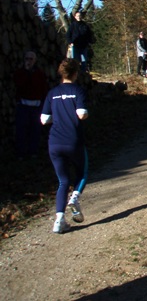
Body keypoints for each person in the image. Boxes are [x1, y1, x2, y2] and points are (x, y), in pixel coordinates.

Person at [40, 58, 89, 234]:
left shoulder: (52, 93)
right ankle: (75, 198)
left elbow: (44, 119)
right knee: (82, 173)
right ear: (75, 73)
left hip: (54, 142)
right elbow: (82, 114)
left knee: (62, 181)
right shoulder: (78, 91)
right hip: (73, 140)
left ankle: (59, 220)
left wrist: (58, 117)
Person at [14, 51, 48, 159]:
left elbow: (43, 88)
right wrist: (26, 72)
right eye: (27, 59)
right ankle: (21, 152)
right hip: (23, 105)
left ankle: (33, 151)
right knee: (21, 130)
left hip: (36, 106)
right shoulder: (20, 72)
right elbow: (19, 85)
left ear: (35, 60)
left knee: (35, 129)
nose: (29, 61)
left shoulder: (39, 73)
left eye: (31, 59)